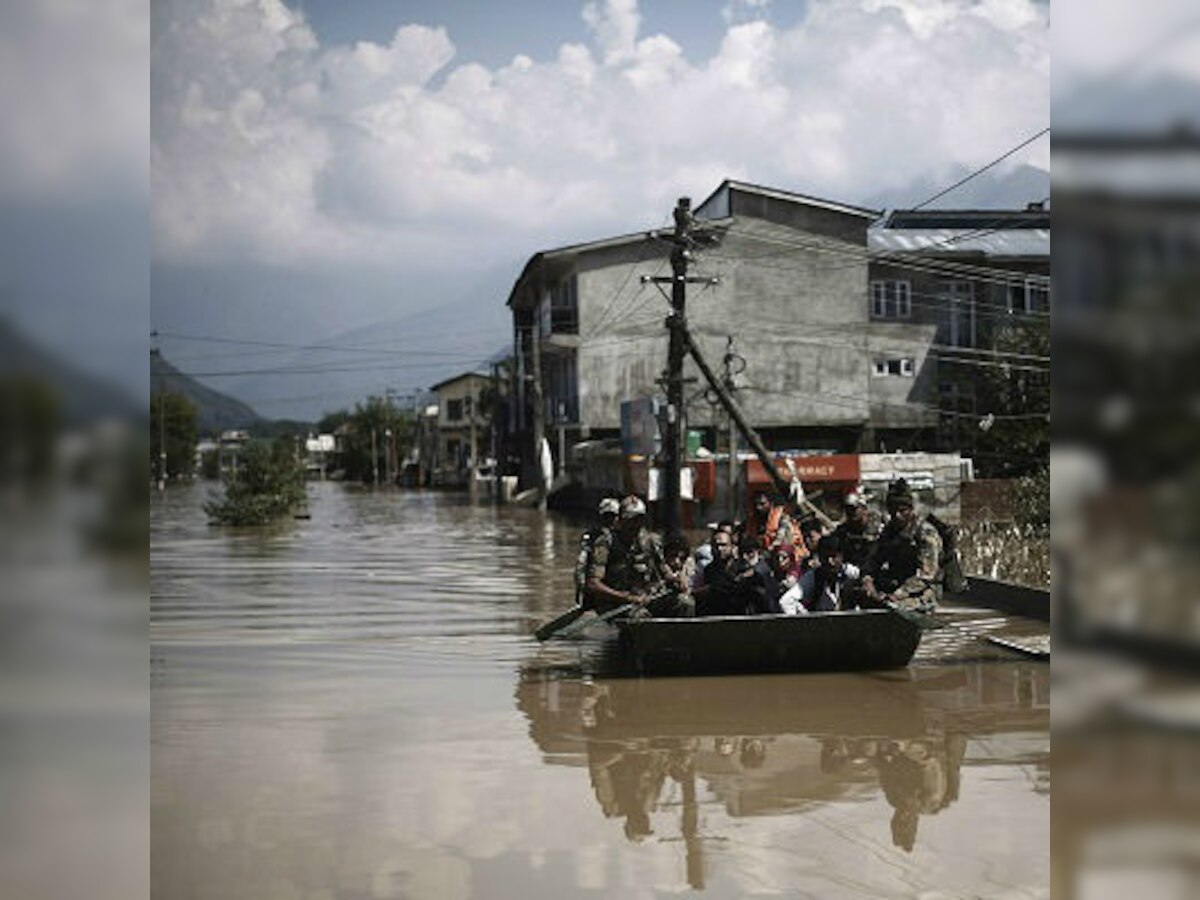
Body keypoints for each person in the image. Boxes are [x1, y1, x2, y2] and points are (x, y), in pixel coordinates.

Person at [585, 496, 693, 618]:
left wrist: (676, 579)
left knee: (685, 602)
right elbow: (593, 584)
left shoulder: (651, 541)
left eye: (640, 519)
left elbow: (664, 571)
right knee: (640, 617)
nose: (636, 525)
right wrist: (626, 597)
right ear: (621, 520)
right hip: (617, 603)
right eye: (632, 520)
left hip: (647, 598)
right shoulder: (605, 544)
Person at [862, 479, 943, 614]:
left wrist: (897, 595)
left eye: (902, 510)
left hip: (920, 590)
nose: (897, 515)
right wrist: (868, 580)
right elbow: (874, 559)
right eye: (893, 511)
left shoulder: (925, 533)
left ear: (911, 509)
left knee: (896, 609)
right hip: (894, 584)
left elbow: (926, 575)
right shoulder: (889, 531)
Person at [789, 534, 861, 613]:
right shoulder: (814, 576)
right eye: (825, 557)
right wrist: (807, 617)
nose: (830, 561)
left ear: (841, 556)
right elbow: (787, 601)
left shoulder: (853, 574)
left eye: (834, 556)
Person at [575, 497, 620, 608]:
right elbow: (581, 565)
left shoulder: (622, 537)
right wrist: (581, 589)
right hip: (596, 581)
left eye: (612, 516)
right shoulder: (591, 537)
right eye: (606, 516)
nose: (610, 520)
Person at [831, 490, 879, 570]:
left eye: (854, 509)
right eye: (848, 509)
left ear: (863, 508)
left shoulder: (876, 528)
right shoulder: (841, 531)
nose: (851, 512)